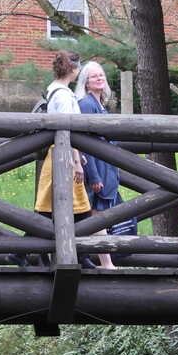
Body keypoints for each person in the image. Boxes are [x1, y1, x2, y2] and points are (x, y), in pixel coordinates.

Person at [75, 59, 134, 264]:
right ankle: (106, 263)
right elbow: (85, 144)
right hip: (96, 170)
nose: (99, 78)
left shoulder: (100, 104)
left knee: (99, 217)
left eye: (101, 75)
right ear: (86, 82)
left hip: (106, 169)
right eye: (94, 76)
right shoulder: (86, 104)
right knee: (96, 217)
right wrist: (95, 176)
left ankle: (93, 259)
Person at [32, 51, 91, 243]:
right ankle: (79, 255)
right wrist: (76, 161)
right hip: (63, 157)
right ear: (73, 69)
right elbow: (66, 130)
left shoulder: (53, 90)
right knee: (73, 209)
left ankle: (80, 256)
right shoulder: (64, 95)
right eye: (78, 67)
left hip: (57, 155)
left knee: (56, 208)